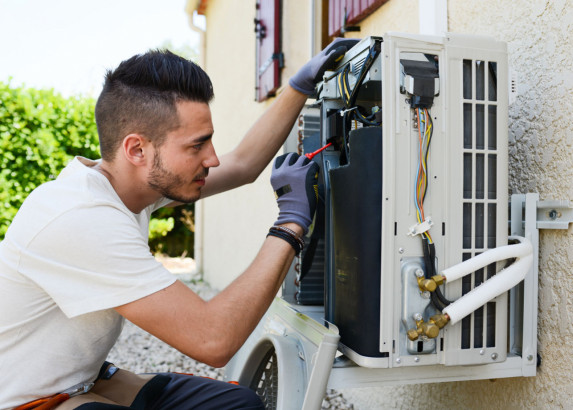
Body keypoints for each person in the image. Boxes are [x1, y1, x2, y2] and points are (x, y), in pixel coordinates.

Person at [0, 38, 357, 409]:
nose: (213, 159)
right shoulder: (82, 218)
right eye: (196, 146)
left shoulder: (126, 184)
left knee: (238, 404)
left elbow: (243, 165)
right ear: (137, 149)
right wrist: (291, 222)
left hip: (81, 380)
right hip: (30, 401)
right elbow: (213, 340)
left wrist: (297, 87)